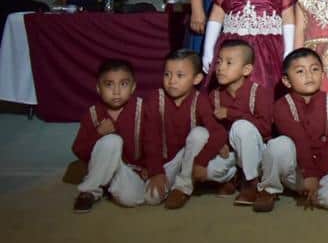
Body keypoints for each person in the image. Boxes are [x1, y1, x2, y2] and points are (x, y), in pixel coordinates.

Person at [141, 50, 235, 209]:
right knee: (152, 197)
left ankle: (183, 187)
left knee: (200, 134)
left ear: (196, 79)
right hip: (169, 160)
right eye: (167, 75)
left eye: (180, 75)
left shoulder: (200, 100)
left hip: (193, 157)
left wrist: (201, 161)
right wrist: (156, 171)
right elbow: (150, 138)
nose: (172, 81)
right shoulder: (156, 98)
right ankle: (189, 181)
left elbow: (218, 132)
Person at [254, 48, 328, 212]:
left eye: (314, 69)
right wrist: (309, 174)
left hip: (324, 166)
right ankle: (269, 188)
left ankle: (303, 188)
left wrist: (317, 175)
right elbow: (299, 139)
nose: (309, 76)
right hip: (295, 166)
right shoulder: (281, 105)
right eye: (300, 71)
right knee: (279, 145)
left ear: (323, 74)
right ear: (287, 81)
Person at [71, 59, 146, 212]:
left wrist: (150, 167)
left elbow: (155, 142)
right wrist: (98, 134)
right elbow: (79, 150)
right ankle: (89, 191)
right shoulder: (92, 113)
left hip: (129, 170)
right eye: (109, 85)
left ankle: (111, 182)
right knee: (112, 141)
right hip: (98, 167)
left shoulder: (143, 109)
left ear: (133, 87)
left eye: (123, 84)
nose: (117, 91)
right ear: (98, 88)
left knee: (131, 199)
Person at [209, 39, 274, 207]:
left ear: (246, 69)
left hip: (258, 152)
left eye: (229, 63)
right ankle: (234, 177)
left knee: (241, 127)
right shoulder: (214, 95)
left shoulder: (259, 92)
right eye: (219, 62)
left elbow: (266, 129)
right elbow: (211, 127)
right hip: (230, 153)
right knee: (208, 170)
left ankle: (251, 182)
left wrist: (231, 114)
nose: (221, 67)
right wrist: (219, 143)